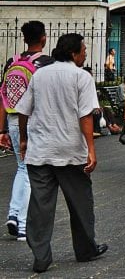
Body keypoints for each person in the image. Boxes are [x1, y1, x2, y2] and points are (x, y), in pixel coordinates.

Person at [15, 33, 107, 273]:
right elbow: (86, 115)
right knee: (80, 203)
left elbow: (24, 110)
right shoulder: (81, 77)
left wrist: (24, 138)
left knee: (40, 206)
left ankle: (41, 255)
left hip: (40, 150)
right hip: (70, 150)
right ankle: (86, 249)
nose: (86, 53)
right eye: (84, 50)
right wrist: (91, 149)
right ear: (74, 53)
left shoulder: (40, 75)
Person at [1, 20, 50, 243]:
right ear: (43, 38)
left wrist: (1, 129)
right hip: (34, 120)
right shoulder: (46, 63)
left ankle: (13, 213)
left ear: (24, 38)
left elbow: (2, 96)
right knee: (33, 171)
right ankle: (21, 223)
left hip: (12, 118)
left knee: (22, 167)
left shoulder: (12, 62)